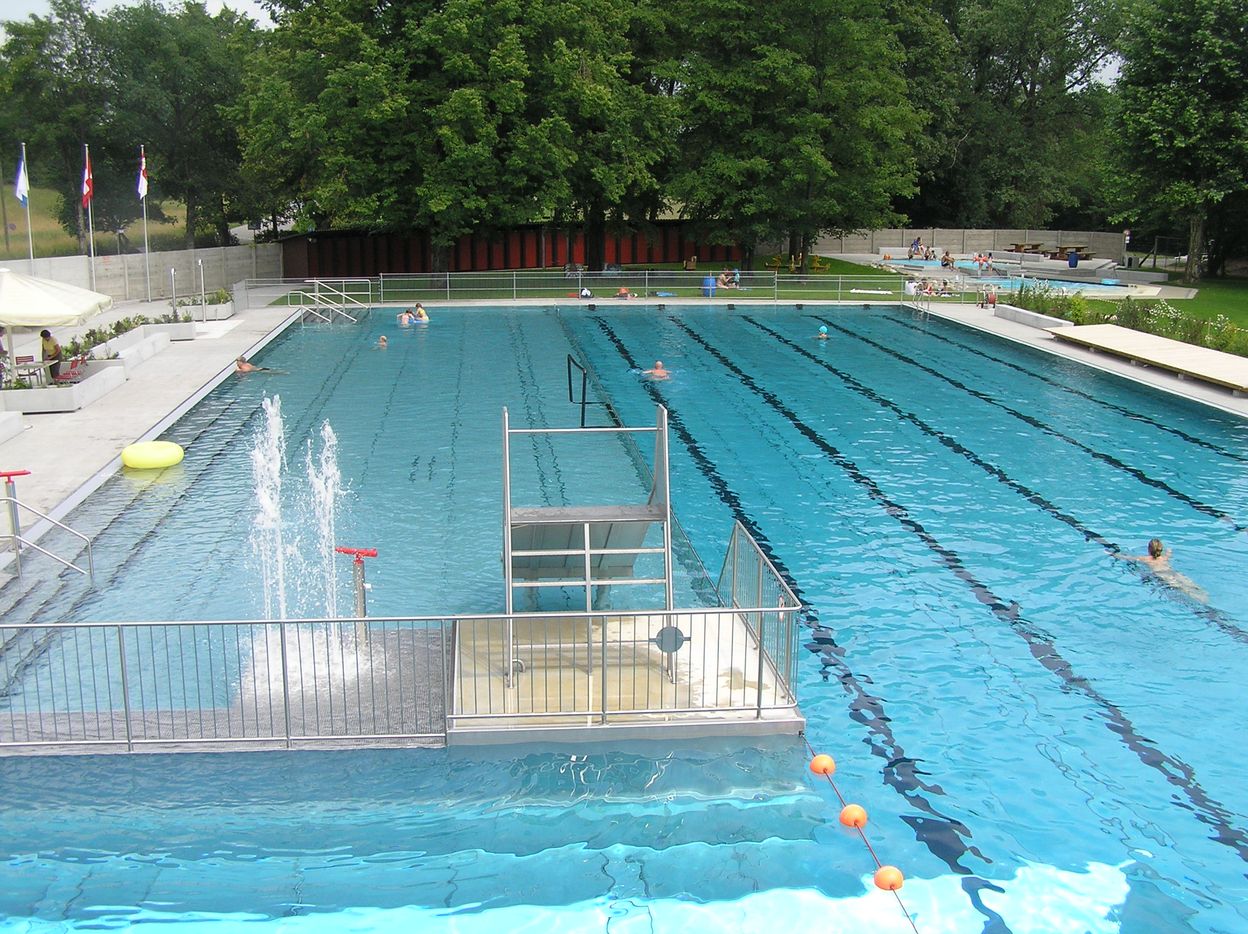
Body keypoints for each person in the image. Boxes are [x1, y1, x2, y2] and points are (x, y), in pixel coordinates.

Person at [1119, 538, 1208, 602]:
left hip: (1162, 575)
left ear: (1149, 549)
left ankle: (1198, 600)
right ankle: (1204, 595)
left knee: (1181, 588)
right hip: (1173, 573)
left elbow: (1128, 557)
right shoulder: (1164, 557)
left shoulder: (1145, 559)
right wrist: (1169, 551)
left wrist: (1113, 554)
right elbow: (1169, 553)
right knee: (1189, 584)